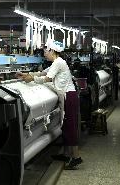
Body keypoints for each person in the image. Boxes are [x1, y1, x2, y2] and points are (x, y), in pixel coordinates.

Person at [16, 41, 82, 170]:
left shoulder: (58, 62)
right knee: (65, 125)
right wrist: (27, 75)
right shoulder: (56, 63)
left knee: (69, 126)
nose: (44, 54)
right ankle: (67, 154)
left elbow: (47, 78)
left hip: (69, 97)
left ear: (52, 51)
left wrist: (32, 79)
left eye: (46, 52)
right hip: (66, 96)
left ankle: (76, 157)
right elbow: (43, 73)